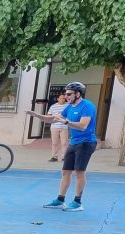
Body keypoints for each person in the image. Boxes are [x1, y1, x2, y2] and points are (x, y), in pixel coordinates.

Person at [28, 81, 96, 212]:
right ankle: (60, 200)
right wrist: (37, 115)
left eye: (69, 94)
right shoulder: (69, 107)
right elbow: (53, 119)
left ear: (78, 94)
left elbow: (83, 126)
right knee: (65, 172)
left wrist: (65, 122)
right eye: (65, 94)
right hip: (74, 142)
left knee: (79, 172)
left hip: (86, 142)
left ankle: (77, 202)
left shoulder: (87, 106)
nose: (66, 96)